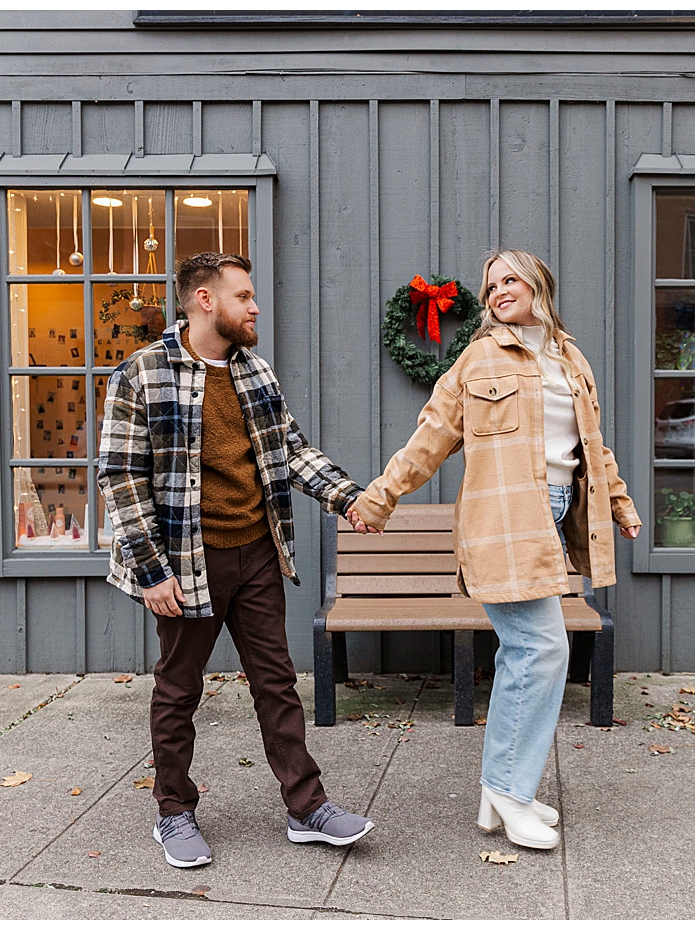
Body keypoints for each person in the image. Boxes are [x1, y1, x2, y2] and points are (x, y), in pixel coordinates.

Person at [351, 249, 641, 851]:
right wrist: (380, 497)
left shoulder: (570, 357)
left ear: (538, 285)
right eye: (491, 285)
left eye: (510, 279)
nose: (499, 291)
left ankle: (503, 788)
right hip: (503, 521)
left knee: (524, 653)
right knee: (540, 649)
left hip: (556, 517)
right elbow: (429, 438)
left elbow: (593, 445)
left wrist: (619, 503)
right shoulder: (479, 359)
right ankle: (510, 793)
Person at [99, 251, 378, 869]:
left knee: (277, 683)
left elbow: (291, 453)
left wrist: (349, 498)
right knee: (178, 690)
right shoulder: (142, 373)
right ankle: (174, 812)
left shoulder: (256, 373)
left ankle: (307, 808)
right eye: (244, 297)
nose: (255, 308)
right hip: (182, 561)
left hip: (256, 552)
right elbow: (119, 477)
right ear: (205, 300)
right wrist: (151, 572)